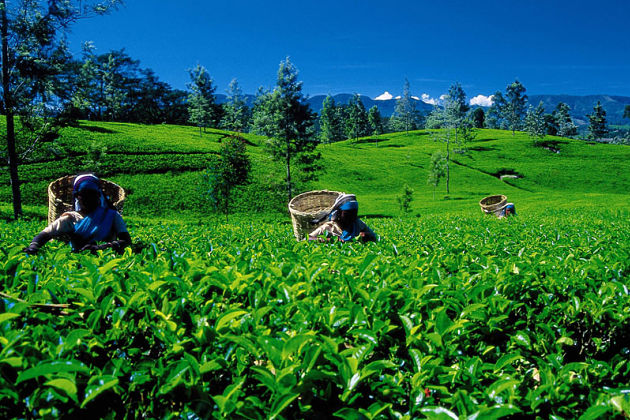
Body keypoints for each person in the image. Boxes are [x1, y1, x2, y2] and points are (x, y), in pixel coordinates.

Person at [23, 174, 131, 255]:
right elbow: (45, 234)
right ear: (77, 197)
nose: (88, 199)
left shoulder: (111, 215)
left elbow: (126, 240)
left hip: (108, 259)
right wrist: (34, 246)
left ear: (99, 196)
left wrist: (103, 247)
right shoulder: (72, 218)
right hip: (77, 261)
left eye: (91, 195)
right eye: (84, 196)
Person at [308, 194, 376, 242]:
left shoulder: (357, 224)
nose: (351, 217)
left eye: (354, 214)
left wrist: (365, 236)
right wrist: (328, 240)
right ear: (338, 213)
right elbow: (307, 239)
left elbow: (374, 236)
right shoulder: (329, 228)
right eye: (347, 214)